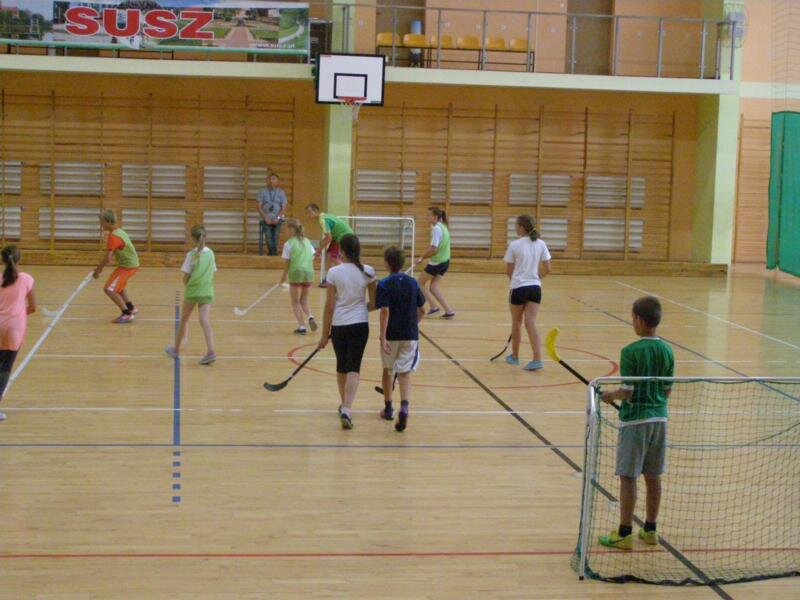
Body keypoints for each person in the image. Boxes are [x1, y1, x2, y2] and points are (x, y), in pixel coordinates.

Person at [598, 296, 675, 550]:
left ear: (639, 320)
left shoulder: (630, 352)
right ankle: (651, 529)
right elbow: (667, 391)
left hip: (635, 423)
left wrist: (610, 396)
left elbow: (627, 392)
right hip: (660, 419)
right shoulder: (668, 350)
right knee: (653, 476)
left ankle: (625, 532)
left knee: (628, 476)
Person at [317, 234, 377, 430]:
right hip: (360, 325)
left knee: (341, 366)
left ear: (342, 251)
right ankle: (347, 408)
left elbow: (329, 307)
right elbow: (374, 303)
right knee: (354, 367)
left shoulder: (334, 272)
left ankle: (345, 405)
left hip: (339, 325)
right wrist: (358, 309)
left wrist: (324, 334)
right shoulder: (368, 271)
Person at [376, 245, 425, 432]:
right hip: (409, 335)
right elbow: (422, 310)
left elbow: (384, 311)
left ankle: (388, 408)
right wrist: (414, 324)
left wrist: (383, 337)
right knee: (404, 373)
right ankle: (404, 406)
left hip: (391, 335)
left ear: (387, 263)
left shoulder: (384, 284)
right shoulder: (413, 283)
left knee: (388, 370)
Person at [503, 214, 551, 371]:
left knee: (516, 323)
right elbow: (548, 268)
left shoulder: (515, 245)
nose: (515, 228)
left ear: (522, 227)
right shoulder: (541, 244)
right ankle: (537, 359)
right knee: (531, 323)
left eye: (516, 225)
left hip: (518, 288)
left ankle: (515, 357)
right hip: (535, 288)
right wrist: (537, 278)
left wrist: (517, 282)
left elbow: (509, 271)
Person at [165, 225, 217, 365]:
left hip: (193, 291)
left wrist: (186, 284)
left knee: (184, 319)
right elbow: (212, 272)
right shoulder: (211, 254)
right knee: (205, 321)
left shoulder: (191, 255)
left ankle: (176, 350)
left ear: (193, 239)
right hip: (207, 291)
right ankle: (211, 351)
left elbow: (186, 276)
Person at [0, 246, 36, 422]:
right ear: (19, 259)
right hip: (15, 328)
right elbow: (33, 307)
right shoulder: (26, 279)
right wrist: (20, 313)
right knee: (5, 368)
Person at [93, 209, 139, 324]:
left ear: (108, 221)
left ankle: (126, 314)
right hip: (129, 264)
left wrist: (98, 270)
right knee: (119, 287)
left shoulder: (113, 237)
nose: (100, 224)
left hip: (128, 266)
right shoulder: (119, 231)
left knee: (109, 289)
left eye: (102, 221)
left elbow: (108, 258)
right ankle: (131, 308)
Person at [278, 218, 317, 335]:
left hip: (296, 272)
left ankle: (302, 326)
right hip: (309, 272)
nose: (285, 231)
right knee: (304, 300)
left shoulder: (288, 244)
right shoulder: (307, 241)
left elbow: (287, 263)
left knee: (295, 301)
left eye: (286, 229)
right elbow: (313, 256)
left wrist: (283, 278)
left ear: (292, 229)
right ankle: (310, 316)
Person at [415, 206, 454, 318]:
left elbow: (434, 249)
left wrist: (422, 257)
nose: (427, 217)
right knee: (433, 287)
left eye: (429, 215)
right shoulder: (444, 227)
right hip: (445, 262)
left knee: (420, 282)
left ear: (435, 217)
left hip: (437, 262)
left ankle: (434, 308)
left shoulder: (436, 229)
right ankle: (449, 311)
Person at [305, 203, 354, 285]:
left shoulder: (322, 220)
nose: (307, 215)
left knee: (333, 258)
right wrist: (321, 244)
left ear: (315, 211)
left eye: (309, 212)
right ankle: (329, 279)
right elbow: (329, 237)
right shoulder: (323, 216)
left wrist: (318, 251)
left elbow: (328, 238)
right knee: (329, 256)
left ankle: (348, 276)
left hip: (344, 237)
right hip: (338, 237)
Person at [257, 172, 288, 256]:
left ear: (277, 181)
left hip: (277, 218)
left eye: (273, 179)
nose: (271, 181)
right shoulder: (262, 191)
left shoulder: (281, 192)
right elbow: (259, 207)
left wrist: (278, 218)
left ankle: (272, 254)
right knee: (268, 236)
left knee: (276, 236)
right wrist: (265, 217)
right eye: (270, 179)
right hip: (266, 218)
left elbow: (284, 207)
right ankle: (273, 253)